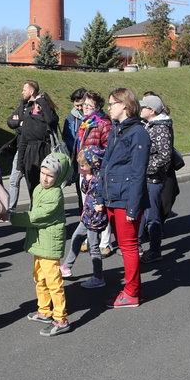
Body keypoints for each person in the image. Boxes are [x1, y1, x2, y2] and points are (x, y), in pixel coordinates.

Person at [96, 88, 150, 308]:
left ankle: (132, 292)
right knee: (123, 246)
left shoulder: (138, 133)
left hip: (126, 199)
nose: (109, 108)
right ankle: (129, 289)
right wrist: (100, 196)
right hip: (112, 197)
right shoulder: (117, 129)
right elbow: (106, 166)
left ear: (124, 105)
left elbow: (139, 173)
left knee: (128, 246)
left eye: (112, 103)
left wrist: (132, 207)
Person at [7, 152, 72, 336]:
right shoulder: (38, 189)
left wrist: (11, 217)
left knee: (54, 282)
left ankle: (61, 319)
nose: (45, 178)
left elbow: (36, 217)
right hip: (39, 241)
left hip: (49, 243)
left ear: (58, 177)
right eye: (43, 172)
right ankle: (44, 310)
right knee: (39, 277)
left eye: (50, 175)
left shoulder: (55, 195)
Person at [60, 146, 107, 289]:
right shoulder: (91, 176)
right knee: (76, 237)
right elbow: (85, 190)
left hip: (94, 218)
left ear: (92, 164)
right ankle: (67, 267)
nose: (81, 168)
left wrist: (101, 204)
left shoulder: (100, 178)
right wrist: (86, 180)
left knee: (93, 248)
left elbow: (102, 194)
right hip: (87, 216)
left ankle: (98, 277)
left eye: (83, 165)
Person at [77, 90, 114, 257]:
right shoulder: (85, 122)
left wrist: (94, 164)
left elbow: (108, 149)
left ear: (97, 106)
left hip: (97, 173)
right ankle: (90, 239)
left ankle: (105, 243)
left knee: (100, 208)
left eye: (89, 105)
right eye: (84, 105)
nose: (85, 108)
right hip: (84, 170)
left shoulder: (103, 123)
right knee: (87, 207)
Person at [138, 94, 173, 265]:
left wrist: (146, 170)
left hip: (153, 180)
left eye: (143, 107)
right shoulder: (150, 124)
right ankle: (138, 243)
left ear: (151, 111)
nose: (139, 109)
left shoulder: (161, 128)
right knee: (143, 213)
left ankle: (155, 250)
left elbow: (165, 156)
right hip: (146, 178)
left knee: (152, 216)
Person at [17, 90, 59, 200]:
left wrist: (42, 101)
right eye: (37, 102)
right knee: (33, 188)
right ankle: (35, 211)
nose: (39, 105)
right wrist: (20, 164)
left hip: (46, 153)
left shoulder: (50, 117)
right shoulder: (28, 116)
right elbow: (23, 141)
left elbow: (51, 120)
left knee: (47, 187)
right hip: (30, 154)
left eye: (42, 103)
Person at [5, 81, 40, 210]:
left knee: (32, 182)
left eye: (24, 90)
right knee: (13, 180)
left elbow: (33, 126)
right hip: (20, 147)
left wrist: (20, 122)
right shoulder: (22, 105)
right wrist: (20, 123)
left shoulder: (37, 106)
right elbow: (10, 121)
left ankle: (34, 210)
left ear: (31, 91)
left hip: (32, 150)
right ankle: (10, 209)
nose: (22, 92)